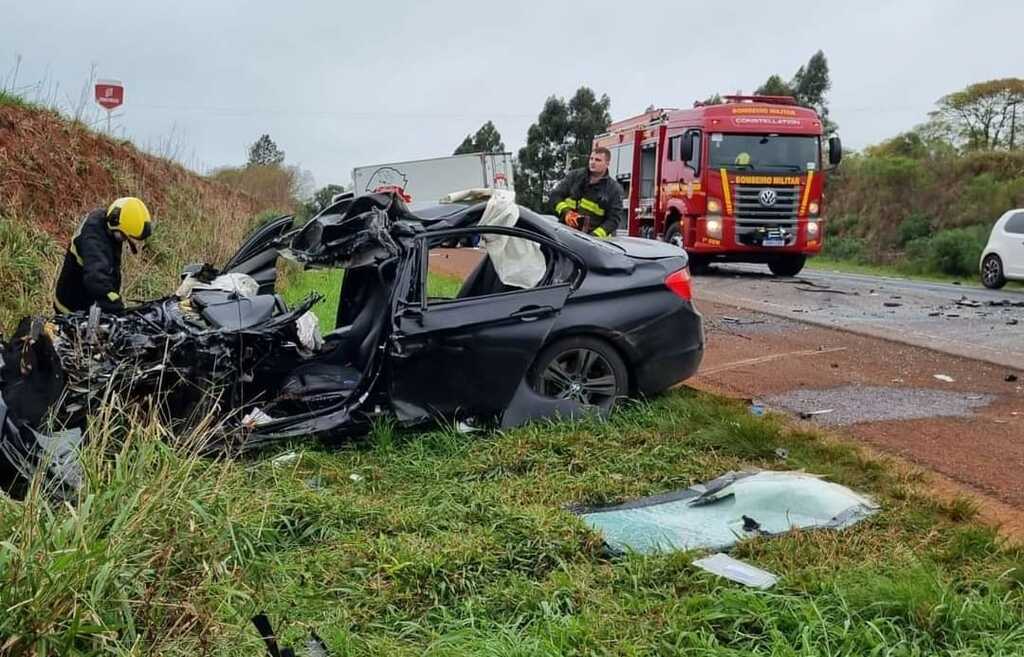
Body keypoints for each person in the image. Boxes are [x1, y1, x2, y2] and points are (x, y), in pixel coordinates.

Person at [54, 197, 153, 314]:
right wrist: (115, 305)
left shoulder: (108, 224)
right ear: (115, 223)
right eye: (123, 236)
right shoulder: (94, 238)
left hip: (90, 301)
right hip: (72, 307)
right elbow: (96, 278)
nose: (124, 240)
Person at [550, 147, 624, 238]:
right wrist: (567, 213)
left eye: (598, 160)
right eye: (591, 159)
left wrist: (594, 237)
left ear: (607, 163)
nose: (592, 162)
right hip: (564, 234)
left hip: (591, 241)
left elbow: (613, 220)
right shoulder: (575, 177)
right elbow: (555, 196)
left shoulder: (614, 190)